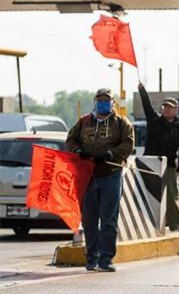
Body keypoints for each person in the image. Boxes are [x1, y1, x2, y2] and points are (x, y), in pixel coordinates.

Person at [65, 88, 134, 272]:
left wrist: (111, 154)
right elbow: (71, 140)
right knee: (89, 219)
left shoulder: (121, 123)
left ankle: (106, 259)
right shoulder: (84, 121)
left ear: (113, 103)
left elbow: (128, 143)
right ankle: (91, 258)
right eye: (99, 99)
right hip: (88, 176)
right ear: (95, 102)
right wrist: (78, 152)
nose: (103, 102)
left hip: (111, 174)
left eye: (107, 99)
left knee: (109, 219)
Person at [138, 83, 179, 232]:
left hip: (170, 165)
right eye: (165, 106)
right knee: (149, 193)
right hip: (151, 164)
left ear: (175, 110)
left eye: (170, 107)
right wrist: (142, 91)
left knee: (172, 195)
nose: (166, 109)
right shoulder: (154, 121)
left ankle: (175, 223)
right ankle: (146, 223)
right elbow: (147, 106)